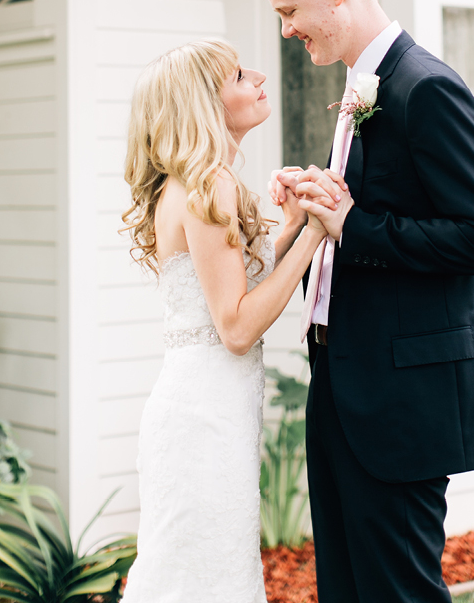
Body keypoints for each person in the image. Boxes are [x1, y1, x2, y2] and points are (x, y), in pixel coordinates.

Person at [262, 0, 474, 603]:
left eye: (290, 11)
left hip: (401, 400)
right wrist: (322, 200)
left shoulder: (424, 87)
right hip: (344, 384)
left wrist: (355, 225)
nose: (287, 29)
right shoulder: (363, 84)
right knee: (347, 589)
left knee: (397, 592)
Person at [120, 40, 347, 603]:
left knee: (199, 574)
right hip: (205, 420)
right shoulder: (209, 185)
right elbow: (238, 328)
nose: (261, 76)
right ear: (205, 102)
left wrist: (291, 226)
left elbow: (228, 289)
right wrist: (320, 232)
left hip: (204, 410)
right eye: (241, 75)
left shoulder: (195, 181)